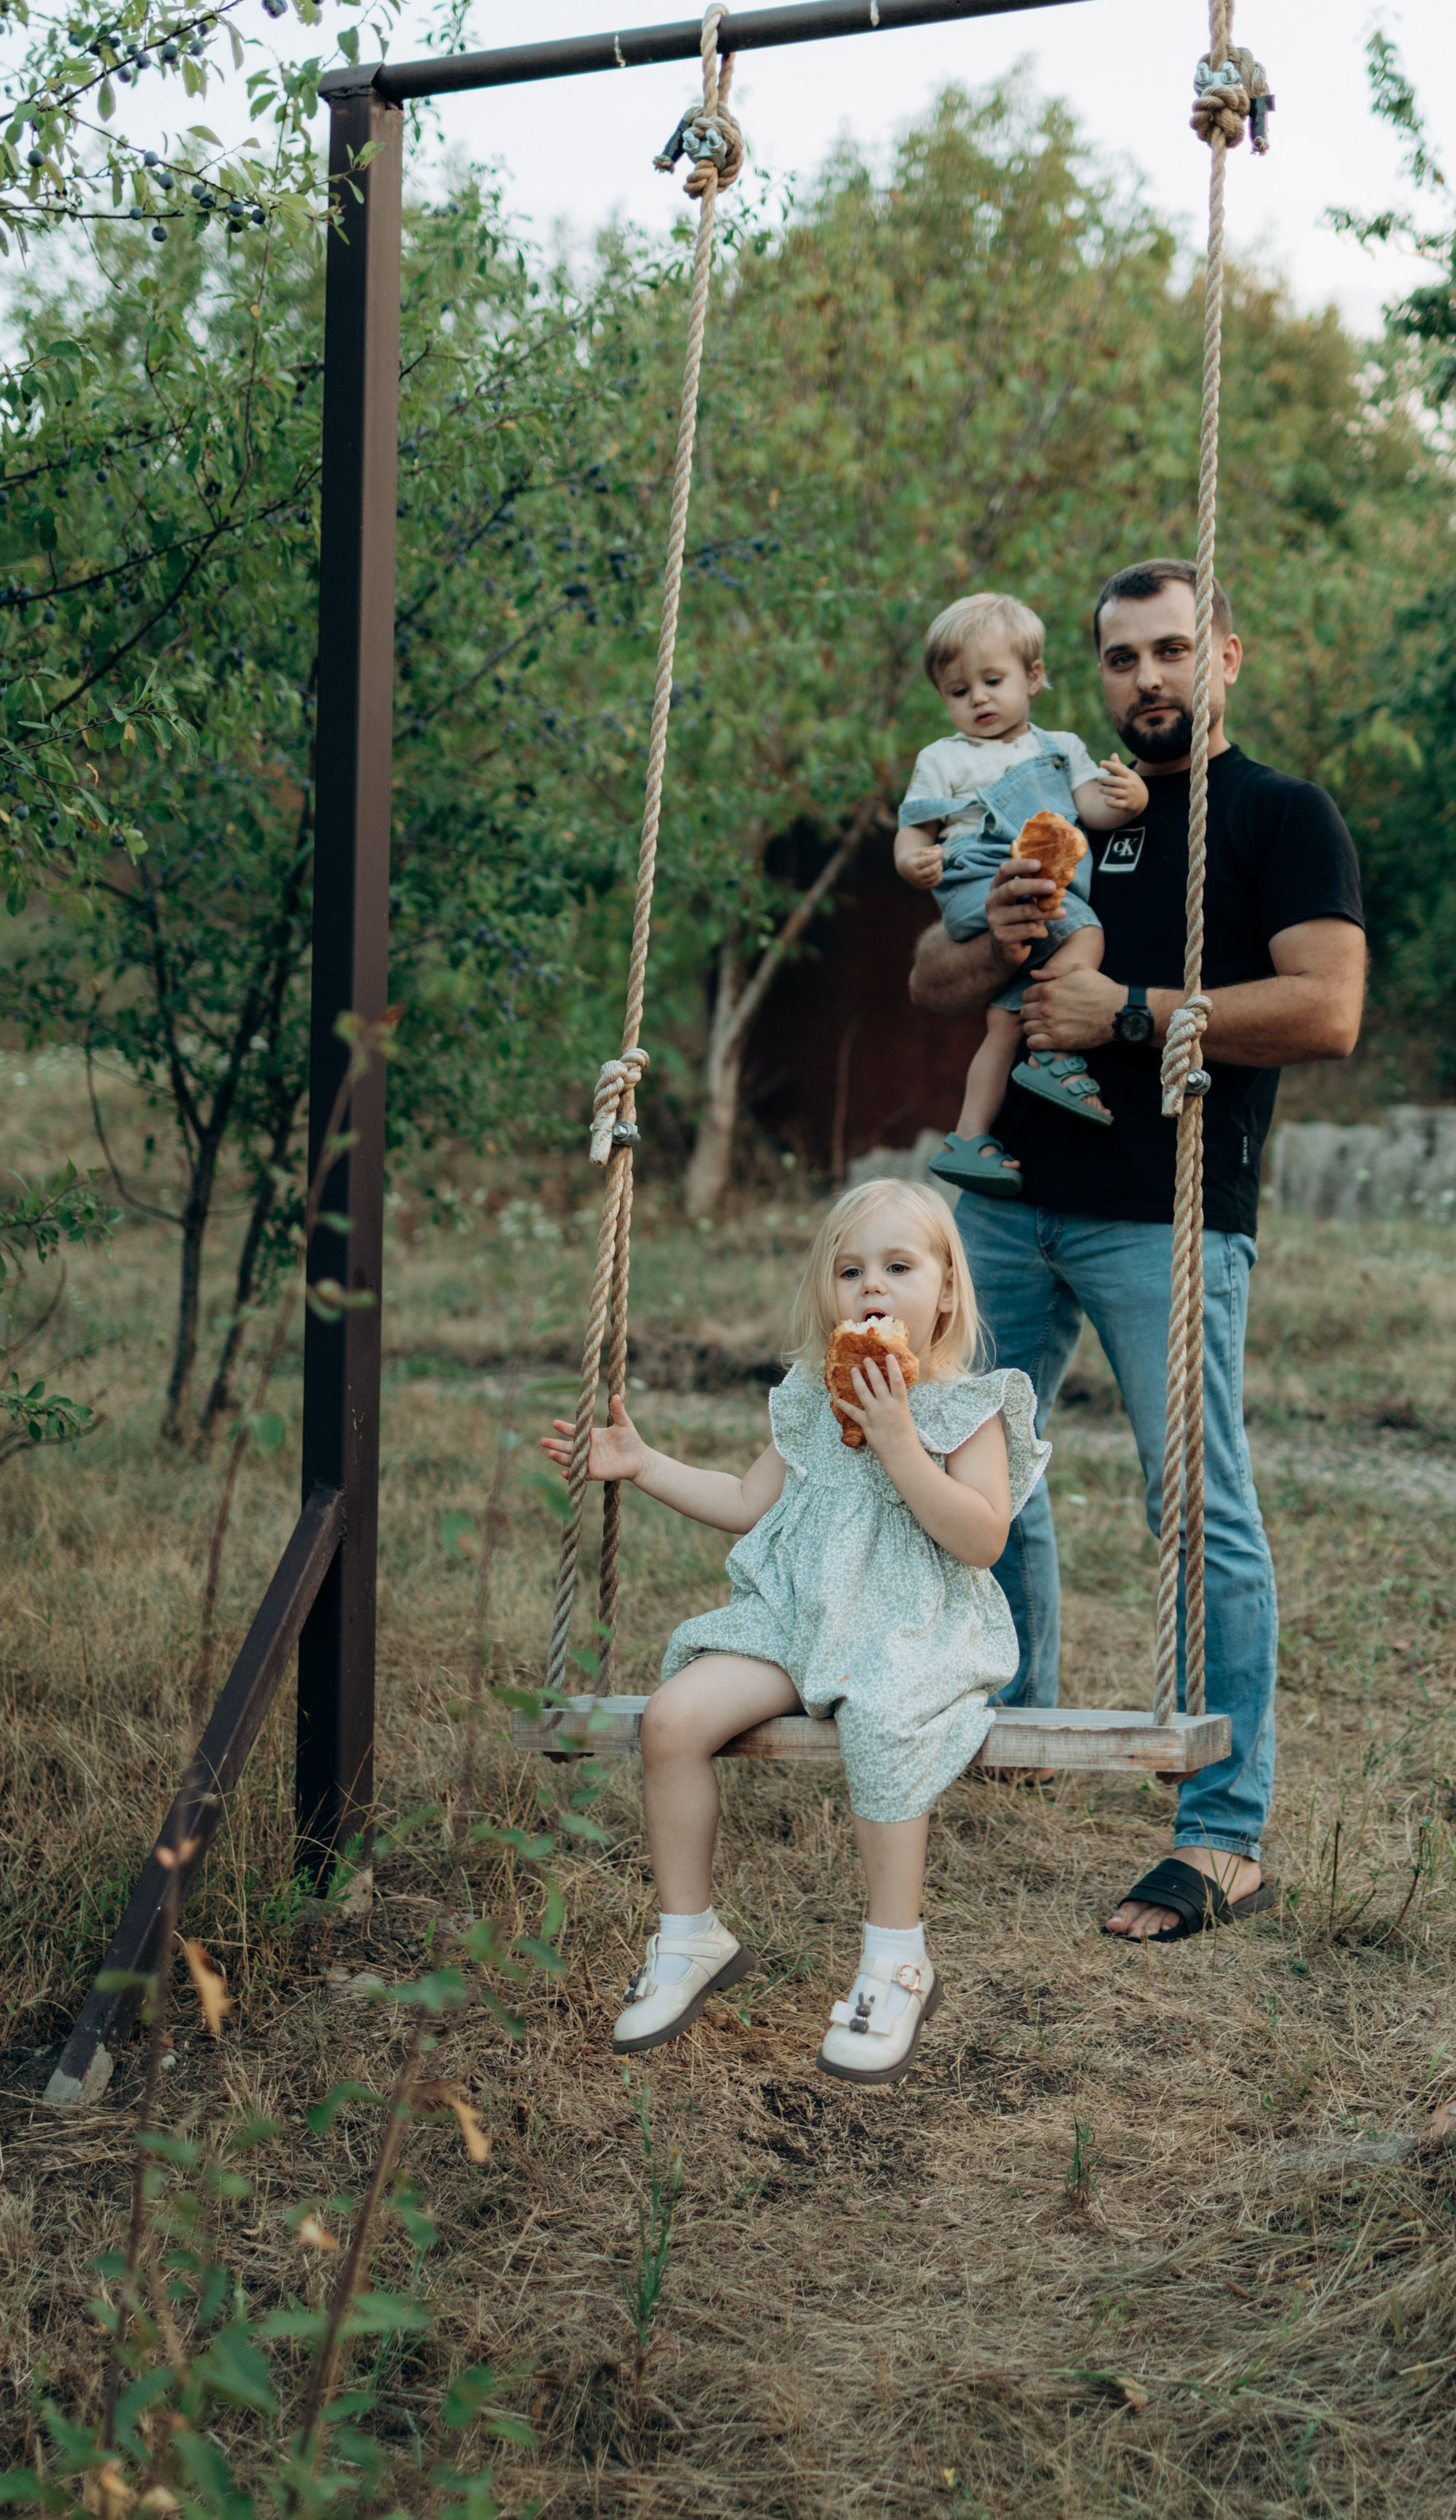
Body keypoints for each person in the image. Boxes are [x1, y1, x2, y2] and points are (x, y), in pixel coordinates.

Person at [907, 558, 1365, 1943]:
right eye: (1123, 658)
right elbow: (933, 980)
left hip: (1165, 1211)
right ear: (1091, 673)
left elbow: (1326, 1009)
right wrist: (994, 938)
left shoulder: (1285, 817)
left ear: (1227, 657)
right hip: (1007, 1204)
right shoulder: (1049, 792)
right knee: (969, 1463)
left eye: (1173, 652)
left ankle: (1223, 1837)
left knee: (1198, 1506)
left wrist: (1131, 1009)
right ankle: (1020, 1722)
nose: (1148, 679)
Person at [541, 1182, 1047, 2082]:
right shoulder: (814, 1399)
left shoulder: (971, 1408)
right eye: (850, 1272)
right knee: (672, 1719)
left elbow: (981, 1537)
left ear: (946, 1295)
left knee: (883, 1726)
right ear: (827, 1297)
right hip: (797, 1620)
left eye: (898, 1267)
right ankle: (689, 1936)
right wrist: (644, 1464)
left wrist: (897, 1439)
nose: (872, 1289)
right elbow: (744, 1503)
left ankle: (896, 1960)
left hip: (911, 1629)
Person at [893, 590, 1147, 1199]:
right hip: (976, 876)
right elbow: (913, 831)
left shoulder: (1060, 749)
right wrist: (913, 864)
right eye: (959, 691)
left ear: (1033, 677)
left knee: (1003, 1021)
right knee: (1087, 934)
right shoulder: (944, 757)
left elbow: (1090, 810)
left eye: (992, 681)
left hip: (1036, 878)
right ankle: (1054, 1055)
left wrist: (1130, 801)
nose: (978, 699)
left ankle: (969, 1137)